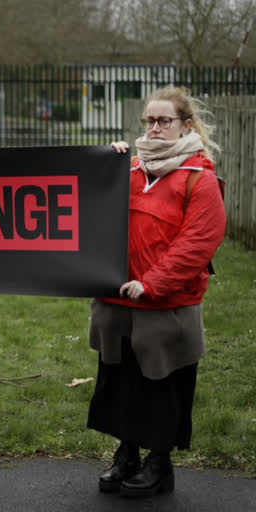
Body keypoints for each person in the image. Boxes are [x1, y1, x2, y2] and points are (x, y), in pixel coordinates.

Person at [90, 86, 226, 498]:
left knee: (162, 387)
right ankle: (127, 454)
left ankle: (159, 464)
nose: (154, 128)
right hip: (117, 304)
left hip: (165, 307)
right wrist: (102, 166)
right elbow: (89, 209)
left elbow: (198, 243)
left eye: (163, 121)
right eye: (149, 120)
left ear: (185, 125)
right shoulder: (128, 169)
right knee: (121, 382)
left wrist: (152, 284)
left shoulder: (198, 179)